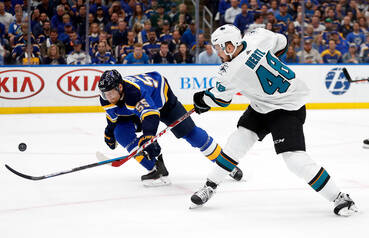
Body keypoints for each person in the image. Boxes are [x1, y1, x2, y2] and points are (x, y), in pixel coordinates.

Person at [189, 24, 358, 217]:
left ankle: (340, 197)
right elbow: (282, 43)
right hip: (263, 104)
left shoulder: (229, 72)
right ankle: (210, 186)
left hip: (287, 108)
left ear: (231, 46)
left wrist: (201, 99)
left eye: (219, 48)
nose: (217, 52)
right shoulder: (257, 36)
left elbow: (221, 99)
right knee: (238, 141)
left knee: (295, 160)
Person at [98, 69, 243, 186]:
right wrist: (109, 132)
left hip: (163, 100)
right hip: (137, 109)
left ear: (120, 87)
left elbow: (150, 114)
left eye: (111, 93)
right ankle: (156, 168)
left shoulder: (133, 93)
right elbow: (113, 117)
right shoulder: (106, 98)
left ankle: (226, 164)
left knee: (191, 134)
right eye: (105, 93)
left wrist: (148, 136)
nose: (108, 97)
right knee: (121, 133)